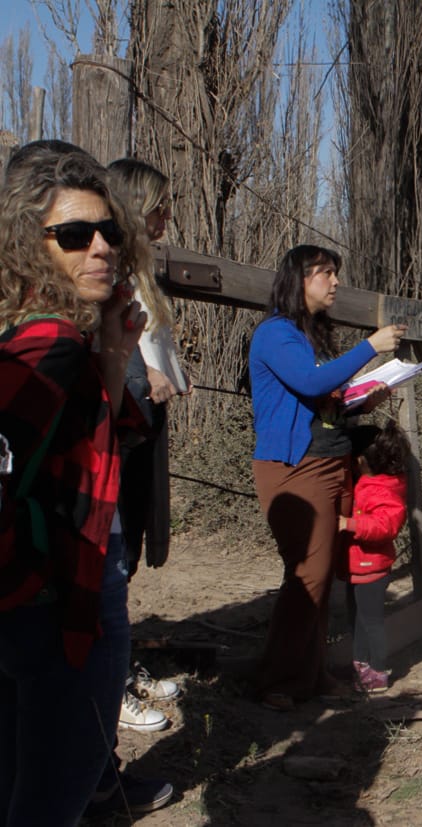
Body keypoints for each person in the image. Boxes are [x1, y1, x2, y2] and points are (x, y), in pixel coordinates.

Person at [0, 148, 148, 824]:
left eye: (109, 232)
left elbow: (97, 446)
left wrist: (113, 349)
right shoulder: (49, 343)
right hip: (50, 610)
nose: (101, 248)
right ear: (27, 244)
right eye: (74, 235)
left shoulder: (45, 333)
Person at [249, 244, 405, 710]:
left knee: (319, 579)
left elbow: (320, 400)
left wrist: (360, 402)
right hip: (297, 467)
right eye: (325, 274)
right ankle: (277, 682)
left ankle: (311, 677)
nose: (335, 282)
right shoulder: (275, 334)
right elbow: (311, 384)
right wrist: (370, 347)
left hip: (330, 462)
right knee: (307, 576)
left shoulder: (308, 336)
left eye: (336, 273)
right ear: (298, 280)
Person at [106, 158, 186, 732]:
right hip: (125, 421)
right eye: (160, 205)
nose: (167, 216)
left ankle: (119, 666)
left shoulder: (140, 268)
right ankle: (108, 687)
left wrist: (169, 374)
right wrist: (142, 373)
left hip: (145, 417)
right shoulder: (105, 268)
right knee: (112, 554)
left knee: (127, 549)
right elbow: (113, 334)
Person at [339, 421, 411, 694]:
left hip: (372, 567)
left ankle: (378, 671)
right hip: (357, 565)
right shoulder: (370, 482)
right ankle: (361, 665)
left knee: (372, 621)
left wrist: (351, 525)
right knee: (356, 618)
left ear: (359, 460)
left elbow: (386, 526)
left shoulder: (383, 489)